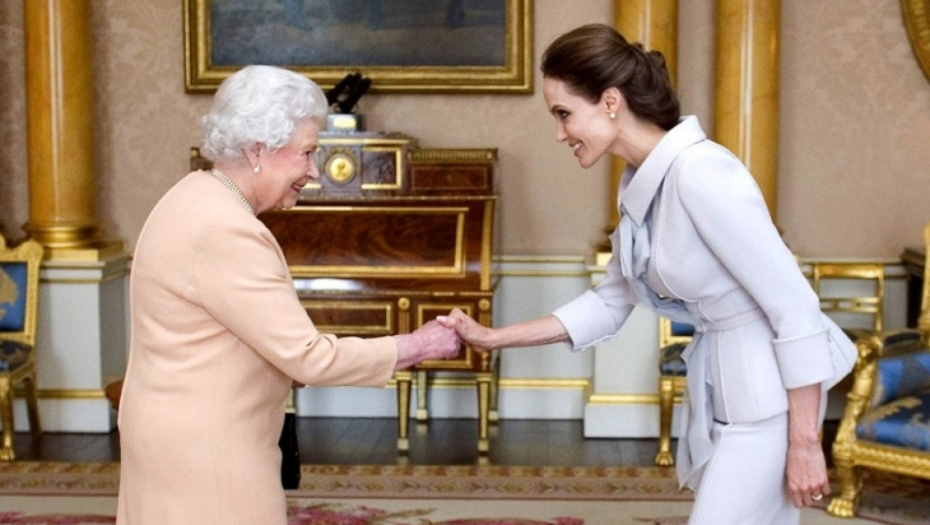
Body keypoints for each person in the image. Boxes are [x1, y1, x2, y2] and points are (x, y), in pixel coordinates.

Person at [438, 24, 856, 525]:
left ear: (610, 101)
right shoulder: (642, 185)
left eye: (564, 114)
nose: (559, 134)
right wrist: (493, 338)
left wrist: (806, 441)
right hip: (727, 395)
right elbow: (610, 300)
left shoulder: (701, 172)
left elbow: (795, 305)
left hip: (767, 404)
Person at [115, 65, 460, 525]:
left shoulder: (192, 194)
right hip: (209, 453)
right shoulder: (227, 229)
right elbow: (308, 358)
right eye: (307, 153)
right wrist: (417, 345)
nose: (313, 172)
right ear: (258, 149)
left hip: (170, 436)